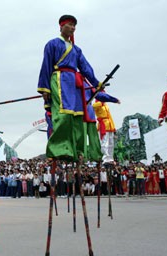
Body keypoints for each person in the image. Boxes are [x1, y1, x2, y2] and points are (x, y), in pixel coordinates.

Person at [37, 14, 103, 161]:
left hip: (74, 83)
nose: (72, 28)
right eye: (70, 24)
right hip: (59, 79)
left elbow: (85, 67)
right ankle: (59, 148)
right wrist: (44, 88)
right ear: (61, 26)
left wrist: (96, 83)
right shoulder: (52, 44)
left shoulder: (76, 49)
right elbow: (46, 66)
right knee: (63, 114)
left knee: (77, 117)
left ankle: (76, 151)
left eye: (74, 25)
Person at [93, 95, 120, 163]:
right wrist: (101, 101)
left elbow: (110, 116)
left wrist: (114, 128)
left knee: (111, 143)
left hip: (109, 125)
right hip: (103, 125)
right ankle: (105, 158)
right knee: (104, 142)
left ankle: (110, 158)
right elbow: (93, 106)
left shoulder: (105, 105)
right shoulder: (97, 104)